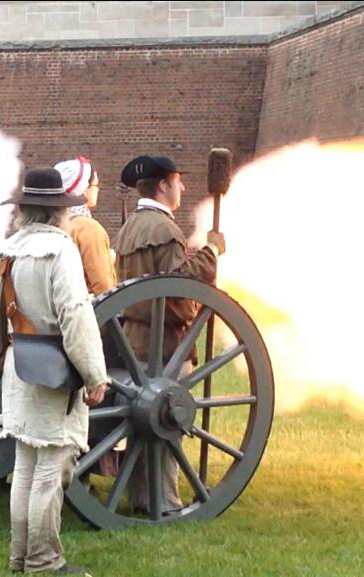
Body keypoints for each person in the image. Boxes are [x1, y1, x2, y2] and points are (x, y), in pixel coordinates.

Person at [0, 168, 110, 574]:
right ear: (58, 211)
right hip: (53, 369)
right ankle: (44, 561)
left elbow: (0, 317)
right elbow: (75, 316)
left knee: (25, 466)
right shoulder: (60, 251)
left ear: (26, 210)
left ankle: (20, 556)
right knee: (50, 469)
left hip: (18, 364)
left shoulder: (10, 249)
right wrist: (96, 375)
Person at [112, 155, 226, 514]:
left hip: (134, 339)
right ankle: (167, 503)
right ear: (162, 185)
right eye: (178, 181)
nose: (182, 187)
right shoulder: (164, 229)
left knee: (139, 424)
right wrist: (211, 251)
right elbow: (181, 284)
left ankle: (143, 498)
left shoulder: (130, 227)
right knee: (167, 422)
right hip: (165, 343)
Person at [55, 156, 116, 297]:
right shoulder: (88, 228)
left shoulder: (53, 224)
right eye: (95, 185)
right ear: (83, 189)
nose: (98, 190)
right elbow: (102, 285)